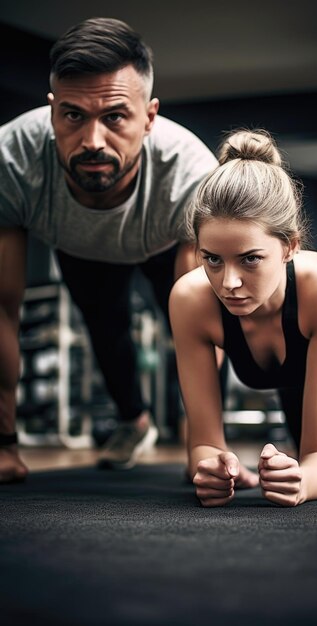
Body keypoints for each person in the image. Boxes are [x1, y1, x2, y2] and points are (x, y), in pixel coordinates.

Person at [0, 17, 218, 483]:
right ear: (53, 109)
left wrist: (206, 448)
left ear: (150, 118)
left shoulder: (188, 172)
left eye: (115, 117)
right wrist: (3, 444)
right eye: (73, 115)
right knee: (106, 329)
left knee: (190, 319)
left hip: (164, 236)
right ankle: (134, 421)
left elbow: (200, 328)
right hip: (80, 243)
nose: (92, 141)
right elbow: (2, 310)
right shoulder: (14, 157)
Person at [169, 129, 317, 508]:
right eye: (212, 258)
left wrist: (307, 480)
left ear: (290, 246)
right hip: (296, 382)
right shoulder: (189, 300)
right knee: (290, 471)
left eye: (250, 258)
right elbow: (203, 443)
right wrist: (216, 468)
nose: (228, 283)